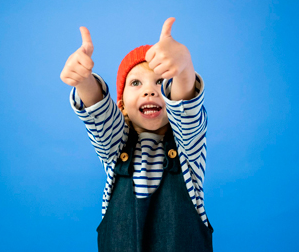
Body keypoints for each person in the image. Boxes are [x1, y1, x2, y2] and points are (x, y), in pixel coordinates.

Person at [60, 17, 213, 252]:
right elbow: (98, 116)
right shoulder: (114, 149)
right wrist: (83, 81)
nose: (150, 90)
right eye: (136, 83)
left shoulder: (188, 151)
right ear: (120, 105)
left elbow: (186, 109)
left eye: (161, 82)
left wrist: (183, 68)